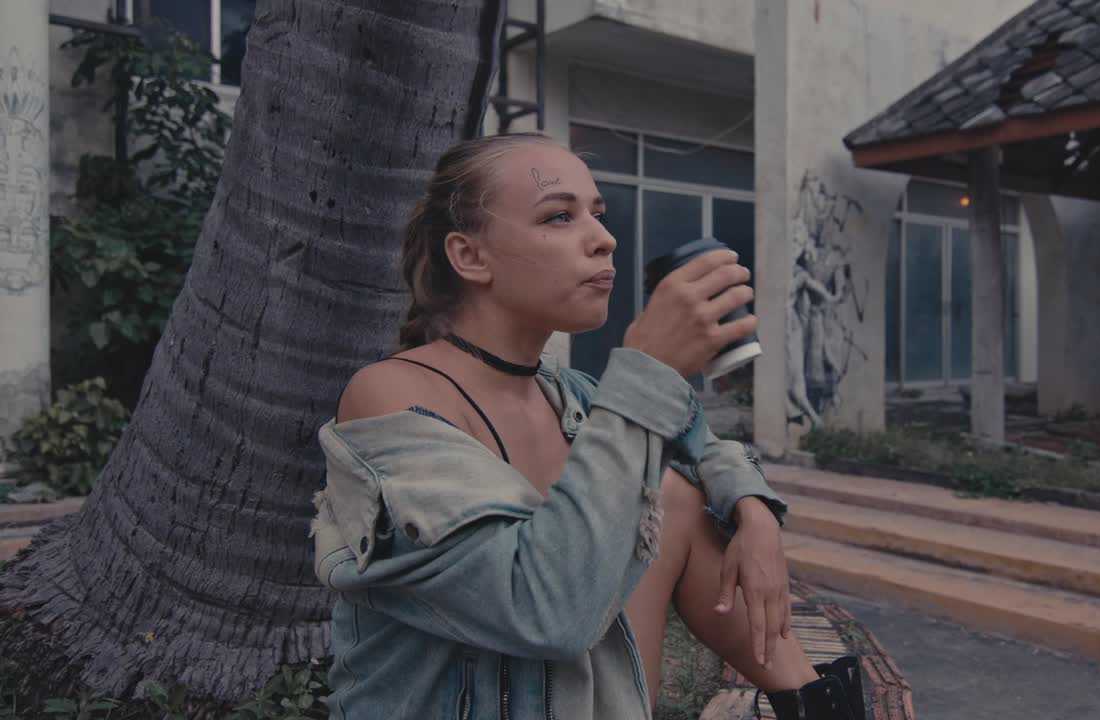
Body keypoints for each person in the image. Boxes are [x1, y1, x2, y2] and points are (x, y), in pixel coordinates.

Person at [310, 132, 866, 719]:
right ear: (470, 256)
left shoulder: (572, 396)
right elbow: (545, 611)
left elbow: (705, 445)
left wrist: (756, 515)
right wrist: (648, 371)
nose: (604, 240)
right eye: (558, 217)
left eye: (597, 215)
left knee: (681, 494)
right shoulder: (392, 396)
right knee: (657, 489)